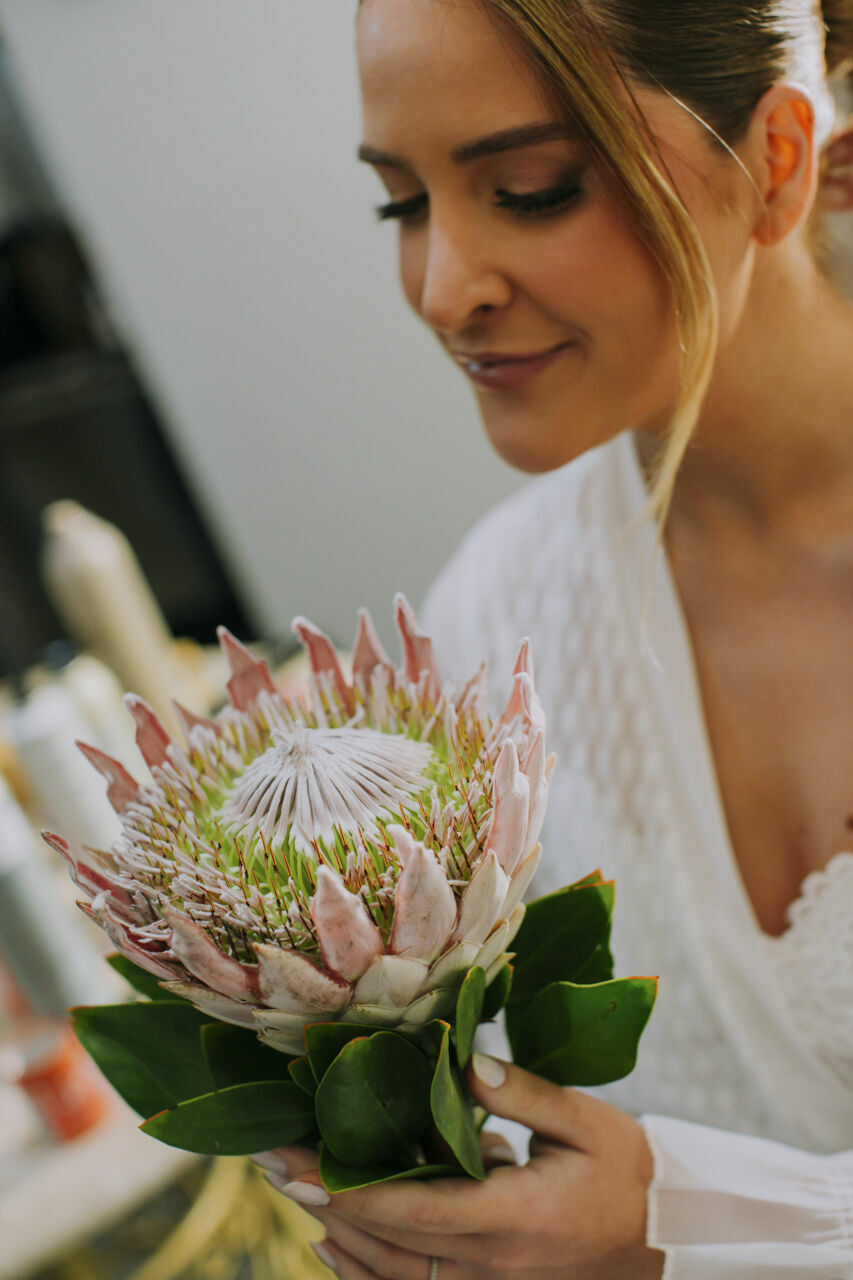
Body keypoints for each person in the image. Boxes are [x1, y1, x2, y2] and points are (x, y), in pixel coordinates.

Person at [259, 0, 853, 1274]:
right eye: (400, 204)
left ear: (779, 161)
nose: (440, 288)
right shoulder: (494, 624)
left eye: (527, 190)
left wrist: (688, 1227)